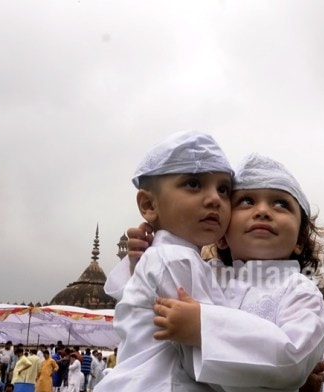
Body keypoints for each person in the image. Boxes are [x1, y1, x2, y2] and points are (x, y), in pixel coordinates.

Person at [111, 151, 324, 391]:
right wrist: (141, 263)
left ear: (299, 240)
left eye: (281, 204)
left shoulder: (301, 292)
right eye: (246, 201)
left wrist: (203, 327)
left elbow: (292, 357)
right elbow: (142, 314)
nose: (262, 210)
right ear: (222, 236)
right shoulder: (204, 272)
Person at [95, 130, 235, 391]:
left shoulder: (170, 257)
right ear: (149, 205)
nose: (215, 198)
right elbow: (213, 352)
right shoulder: (176, 259)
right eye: (194, 184)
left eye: (224, 189)